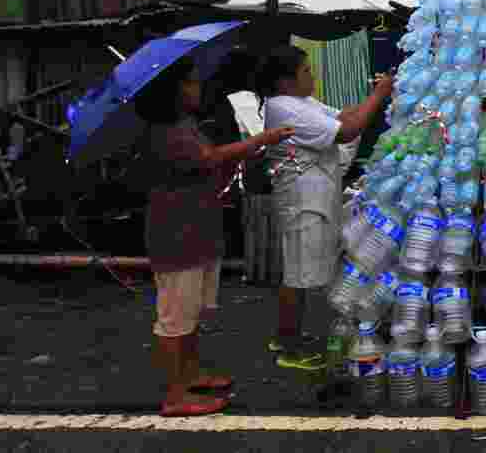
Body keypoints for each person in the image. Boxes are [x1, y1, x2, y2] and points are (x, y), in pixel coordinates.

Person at [134, 56, 294, 417]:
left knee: (192, 313)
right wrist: (262, 140)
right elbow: (208, 157)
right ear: (171, 91)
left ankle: (191, 375)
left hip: (199, 230)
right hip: (177, 236)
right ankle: (175, 396)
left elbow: (206, 164)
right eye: (189, 83)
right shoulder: (164, 131)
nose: (197, 88)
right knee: (175, 318)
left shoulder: (185, 124)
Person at [257, 45, 394, 370]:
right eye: (306, 71)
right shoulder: (285, 108)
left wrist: (375, 94)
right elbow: (348, 129)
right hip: (303, 202)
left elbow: (343, 116)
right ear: (285, 81)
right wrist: (380, 96)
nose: (312, 75)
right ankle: (290, 349)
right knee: (298, 275)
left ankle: (285, 335)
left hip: (313, 198)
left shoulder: (301, 102)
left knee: (301, 271)